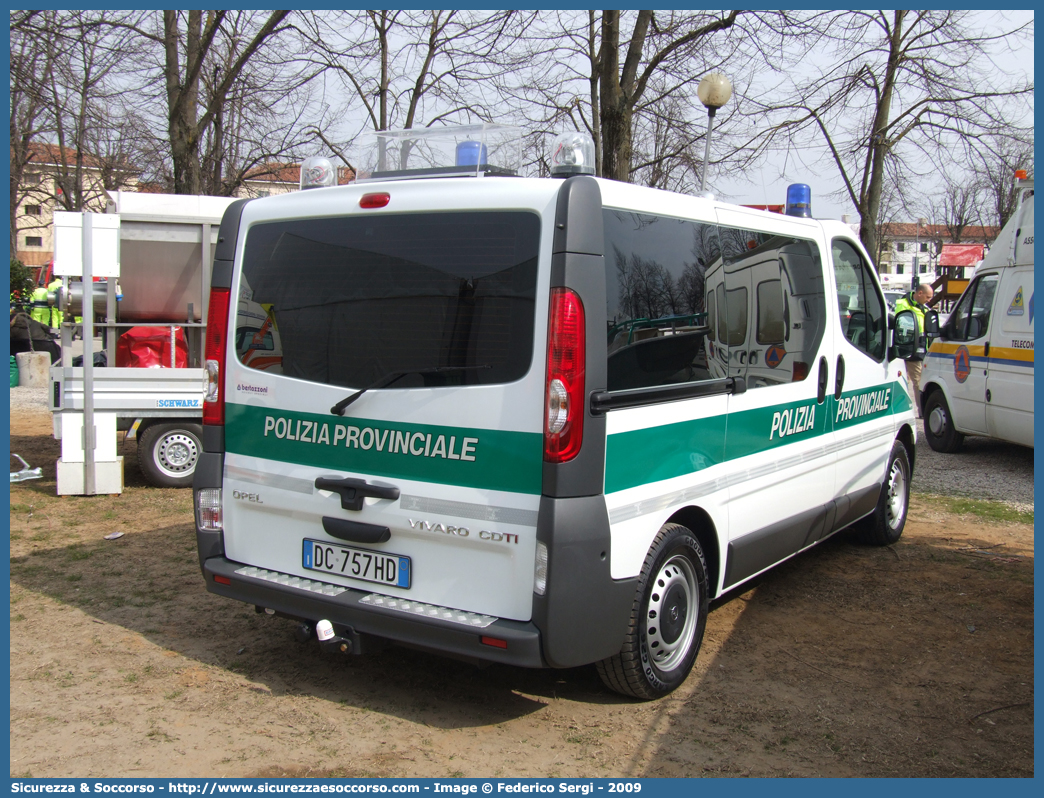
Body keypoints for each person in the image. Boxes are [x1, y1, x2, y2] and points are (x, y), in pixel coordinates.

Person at [895, 283, 933, 417]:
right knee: (917, 382)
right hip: (910, 348)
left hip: (920, 348)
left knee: (908, 379)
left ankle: (904, 409)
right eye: (928, 297)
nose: (929, 300)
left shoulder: (924, 308)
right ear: (920, 293)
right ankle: (922, 412)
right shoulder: (904, 305)